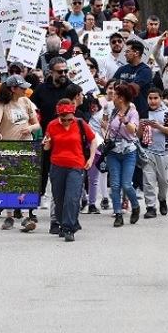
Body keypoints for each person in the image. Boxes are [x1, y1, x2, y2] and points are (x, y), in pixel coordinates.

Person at [0, 75, 40, 232]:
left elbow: (37, 124)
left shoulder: (26, 102)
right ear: (13, 89)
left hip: (26, 146)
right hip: (9, 147)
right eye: (22, 87)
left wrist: (30, 129)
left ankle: (26, 216)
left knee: (25, 181)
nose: (25, 90)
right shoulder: (2, 103)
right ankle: (9, 215)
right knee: (9, 182)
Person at [43, 99, 96, 242]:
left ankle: (69, 228)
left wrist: (90, 158)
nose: (66, 122)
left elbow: (93, 140)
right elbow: (47, 147)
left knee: (72, 197)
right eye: (63, 119)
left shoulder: (80, 123)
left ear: (73, 114)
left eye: (68, 119)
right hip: (57, 165)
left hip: (76, 165)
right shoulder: (52, 125)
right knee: (59, 198)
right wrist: (46, 143)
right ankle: (64, 222)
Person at [30, 57, 71, 228]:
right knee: (40, 175)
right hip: (46, 138)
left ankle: (60, 213)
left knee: (60, 179)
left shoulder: (70, 88)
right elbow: (30, 108)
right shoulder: (40, 90)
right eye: (60, 71)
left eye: (65, 71)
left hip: (66, 139)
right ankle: (30, 210)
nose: (63, 74)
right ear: (51, 72)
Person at [106, 82, 142, 227]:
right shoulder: (113, 111)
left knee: (126, 184)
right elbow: (109, 128)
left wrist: (126, 121)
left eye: (114, 95)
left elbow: (133, 130)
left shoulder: (133, 112)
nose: (112, 97)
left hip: (128, 151)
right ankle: (118, 213)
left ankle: (135, 206)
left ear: (121, 98)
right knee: (115, 185)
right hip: (114, 152)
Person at [138, 88, 168, 218]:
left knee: (164, 180)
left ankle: (162, 199)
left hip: (164, 152)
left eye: (155, 98)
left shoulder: (167, 113)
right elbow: (138, 135)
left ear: (160, 99)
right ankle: (150, 207)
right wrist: (141, 127)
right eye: (150, 98)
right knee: (148, 180)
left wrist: (159, 127)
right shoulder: (143, 113)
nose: (153, 101)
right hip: (147, 151)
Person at [113, 39, 152, 116]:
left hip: (139, 113)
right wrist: (107, 84)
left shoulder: (145, 70)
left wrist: (119, 86)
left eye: (127, 51)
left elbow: (133, 89)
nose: (125, 54)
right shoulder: (122, 69)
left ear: (136, 53)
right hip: (121, 112)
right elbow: (112, 84)